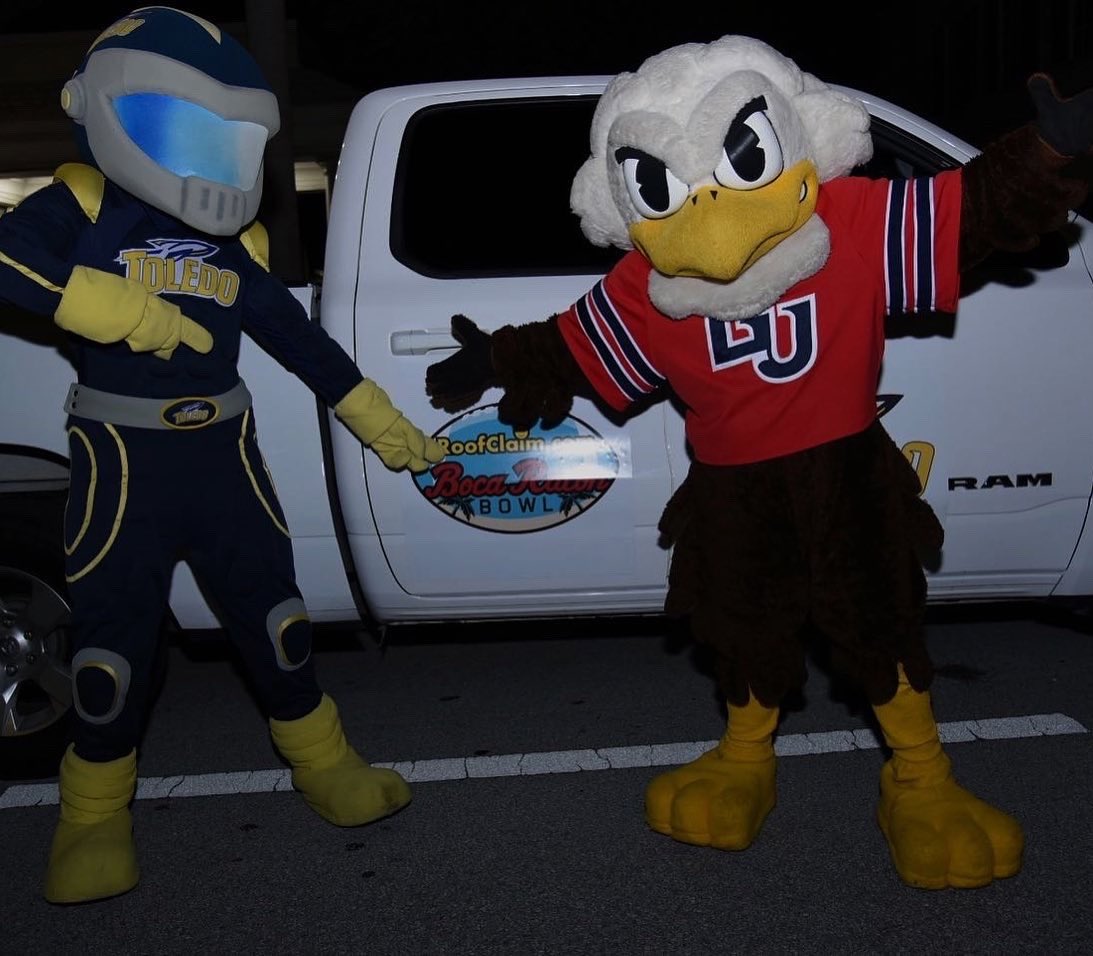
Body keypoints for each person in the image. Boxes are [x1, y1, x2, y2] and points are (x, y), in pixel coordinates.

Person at [426, 35, 1093, 889]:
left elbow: (973, 210)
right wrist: (493, 360)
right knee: (740, 623)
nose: (706, 205)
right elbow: (568, 347)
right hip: (730, 492)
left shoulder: (847, 221)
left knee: (879, 618)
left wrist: (1046, 152)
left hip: (847, 470)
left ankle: (920, 776)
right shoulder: (642, 283)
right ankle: (745, 757)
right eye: (662, 185)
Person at [0, 6, 443, 904]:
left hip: (224, 453)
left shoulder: (237, 248)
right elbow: (9, 260)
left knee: (274, 618)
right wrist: (123, 312)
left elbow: (307, 349)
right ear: (99, 105)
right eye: (180, 126)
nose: (209, 158)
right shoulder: (83, 203)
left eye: (229, 136)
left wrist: (388, 429)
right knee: (112, 643)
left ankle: (320, 761)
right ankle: (92, 812)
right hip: (123, 458)